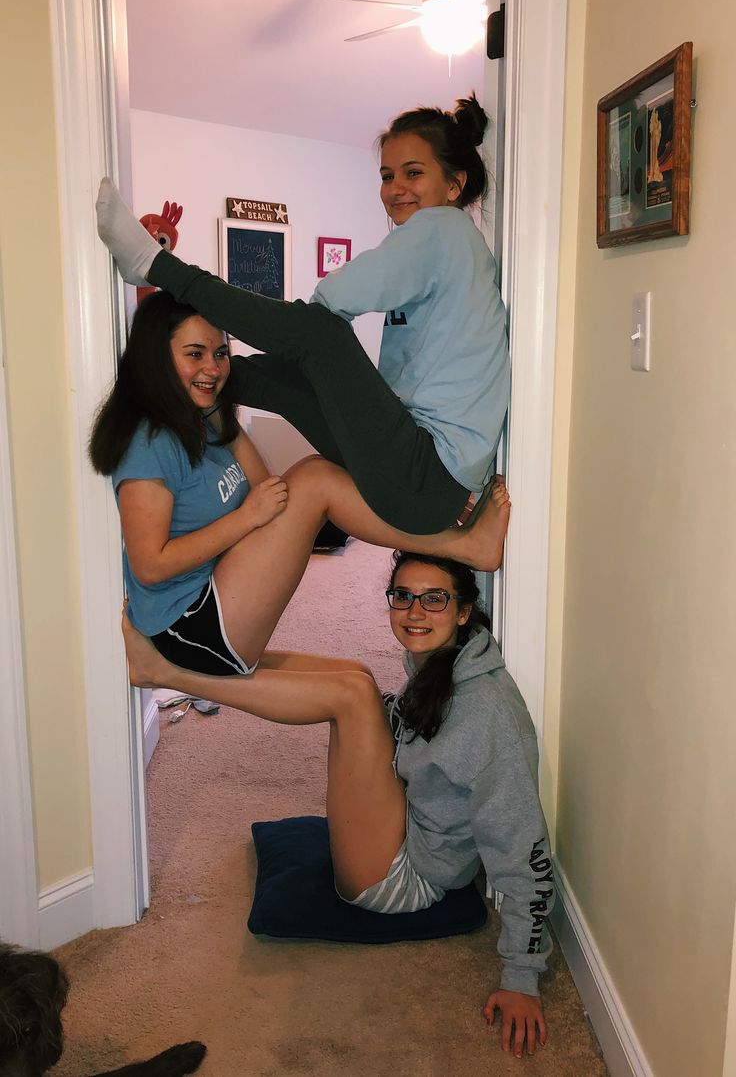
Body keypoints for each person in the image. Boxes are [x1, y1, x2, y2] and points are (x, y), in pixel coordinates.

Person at [120, 549, 554, 1058]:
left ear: (463, 610)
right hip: (405, 816)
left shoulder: (489, 715)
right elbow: (415, 730)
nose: (415, 613)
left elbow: (521, 843)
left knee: (350, 699)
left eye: (435, 600)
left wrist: (521, 977)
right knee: (356, 679)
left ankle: (167, 675)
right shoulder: (446, 660)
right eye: (403, 597)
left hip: (405, 877)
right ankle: (197, 657)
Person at [95, 93, 511, 539]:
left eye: (414, 173)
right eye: (387, 176)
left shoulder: (444, 228)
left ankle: (155, 266)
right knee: (297, 375)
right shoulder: (457, 250)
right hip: (421, 484)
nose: (395, 188)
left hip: (429, 478)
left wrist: (309, 336)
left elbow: (334, 299)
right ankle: (188, 384)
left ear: (454, 185)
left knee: (320, 336)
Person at [89, 291, 510, 675]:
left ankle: (451, 534)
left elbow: (267, 490)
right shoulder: (149, 442)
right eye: (194, 354)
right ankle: (462, 546)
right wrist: (246, 519)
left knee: (316, 477)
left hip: (219, 587)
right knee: (316, 479)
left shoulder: (204, 419)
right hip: (188, 627)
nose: (213, 369)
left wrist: (224, 421)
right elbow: (150, 564)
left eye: (220, 353)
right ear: (156, 359)